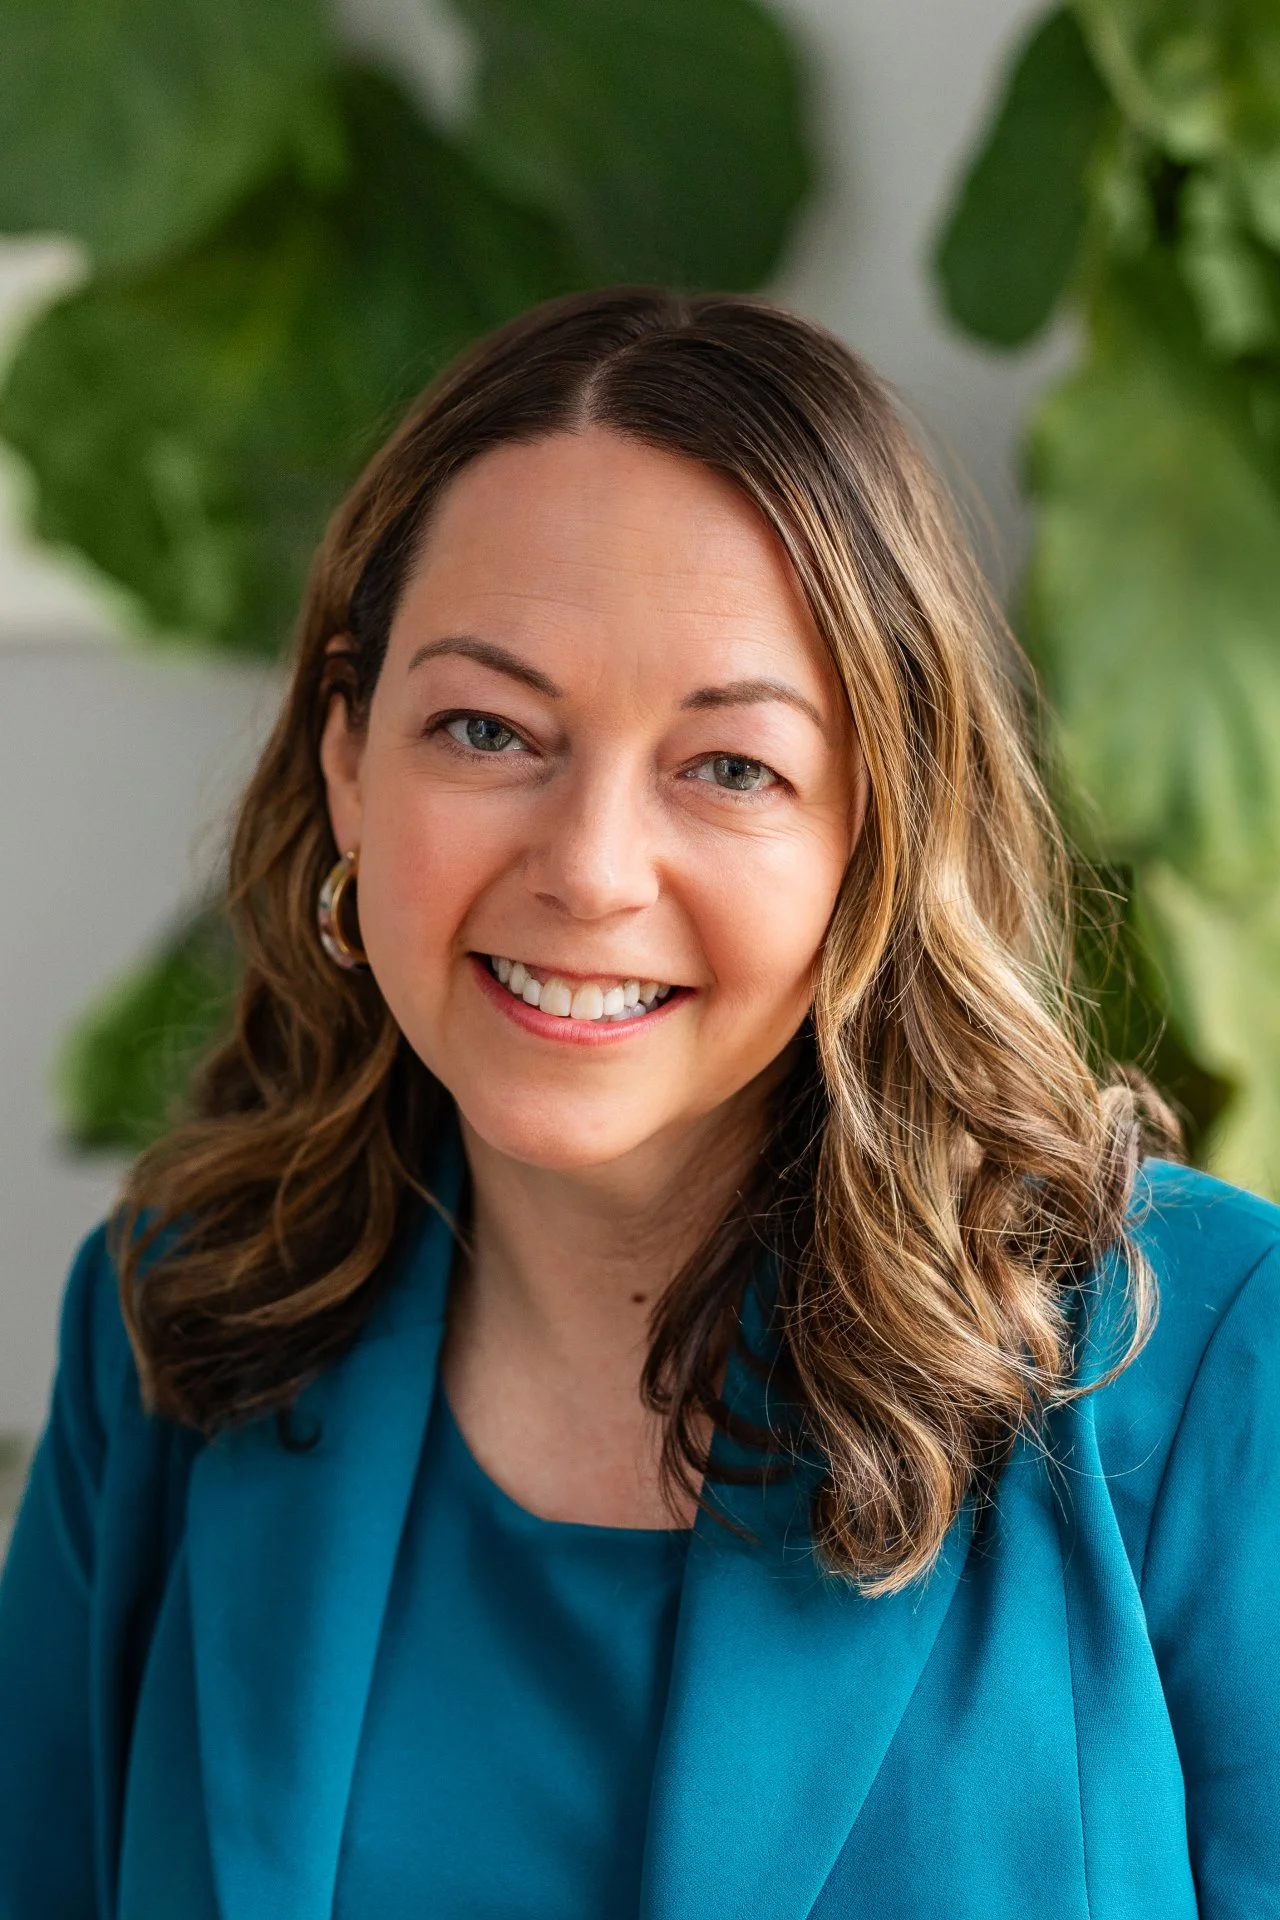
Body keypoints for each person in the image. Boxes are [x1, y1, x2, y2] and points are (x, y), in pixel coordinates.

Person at [1, 287, 1276, 1920]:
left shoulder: (1208, 1359)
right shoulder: (168, 1324)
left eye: (731, 767)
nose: (591, 871)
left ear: (878, 833)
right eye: (486, 729)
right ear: (347, 756)